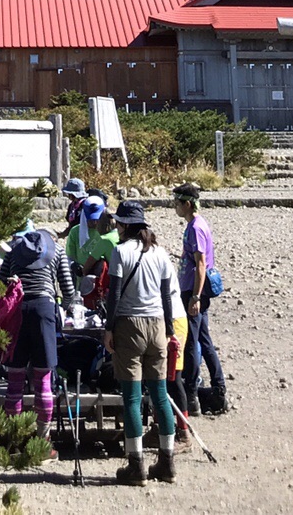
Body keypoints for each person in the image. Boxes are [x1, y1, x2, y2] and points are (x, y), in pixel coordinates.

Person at [103, 200, 179, 483]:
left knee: (132, 397)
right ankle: (167, 463)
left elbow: (114, 294)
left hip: (129, 325)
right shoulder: (159, 253)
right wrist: (169, 330)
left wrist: (108, 329)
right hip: (158, 325)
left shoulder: (120, 252)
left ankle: (136, 466)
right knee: (160, 395)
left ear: (124, 225)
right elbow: (166, 295)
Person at [0, 227, 76, 451]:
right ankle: (42, 442)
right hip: (44, 310)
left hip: (17, 311)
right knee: (43, 378)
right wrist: (67, 309)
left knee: (15, 377)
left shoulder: (12, 251)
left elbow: (0, 281)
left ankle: (13, 441)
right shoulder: (58, 252)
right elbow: (68, 290)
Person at [172, 183, 228, 415]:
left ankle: (192, 394)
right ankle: (218, 388)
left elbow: (202, 263)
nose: (174, 207)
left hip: (194, 291)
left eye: (176, 203)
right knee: (204, 339)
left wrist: (195, 296)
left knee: (190, 342)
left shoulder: (195, 227)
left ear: (187, 204)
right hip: (196, 289)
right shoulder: (198, 225)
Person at [66, 191, 118, 295]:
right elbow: (68, 257)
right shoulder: (76, 232)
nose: (94, 223)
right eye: (90, 219)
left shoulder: (109, 234)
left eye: (97, 219)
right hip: (82, 284)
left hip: (104, 283)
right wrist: (72, 265)